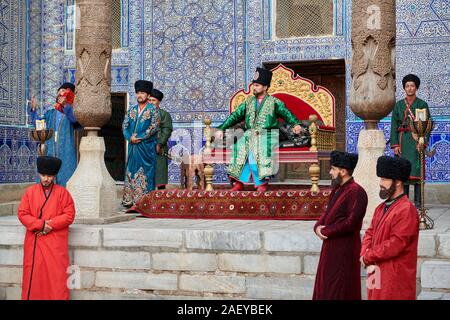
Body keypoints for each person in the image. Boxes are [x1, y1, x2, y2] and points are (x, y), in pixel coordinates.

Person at [215, 67, 303, 192]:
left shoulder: (275, 102)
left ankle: (261, 183)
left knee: (258, 148)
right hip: (250, 133)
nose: (254, 88)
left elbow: (287, 114)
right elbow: (235, 116)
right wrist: (221, 128)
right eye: (253, 85)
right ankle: (239, 182)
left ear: (265, 87)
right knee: (238, 147)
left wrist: (295, 124)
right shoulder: (248, 102)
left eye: (257, 85)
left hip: (268, 134)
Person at [360, 156, 419, 300]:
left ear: (398, 182)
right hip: (376, 272)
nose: (381, 183)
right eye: (381, 179)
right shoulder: (380, 208)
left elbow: (396, 243)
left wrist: (368, 256)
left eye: (385, 179)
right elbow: (370, 232)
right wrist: (364, 253)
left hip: (395, 275)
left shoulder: (406, 209)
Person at [312, 150, 368, 300]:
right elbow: (328, 213)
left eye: (333, 169)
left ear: (343, 171)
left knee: (340, 288)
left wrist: (327, 231)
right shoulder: (337, 189)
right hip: (330, 247)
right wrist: (318, 226)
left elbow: (351, 223)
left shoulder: (357, 191)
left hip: (345, 248)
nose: (330, 172)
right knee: (326, 287)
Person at [18, 156, 76, 300]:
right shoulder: (30, 192)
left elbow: (69, 215)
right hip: (35, 244)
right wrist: (41, 225)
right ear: (39, 174)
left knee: (57, 277)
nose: (46, 179)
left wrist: (51, 224)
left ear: (54, 176)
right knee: (35, 276)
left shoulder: (63, 193)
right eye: (43, 175)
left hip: (55, 244)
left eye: (49, 176)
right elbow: (22, 214)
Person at [390, 74, 431, 207]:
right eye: (407, 86)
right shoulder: (398, 105)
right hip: (403, 141)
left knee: (417, 171)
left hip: (416, 142)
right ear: (404, 88)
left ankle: (419, 203)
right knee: (403, 172)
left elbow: (428, 126)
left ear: (416, 87)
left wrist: (423, 142)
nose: (410, 88)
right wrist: (395, 144)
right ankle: (404, 202)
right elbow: (393, 126)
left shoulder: (422, 104)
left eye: (412, 85)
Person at [29, 83, 81, 187]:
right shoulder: (50, 113)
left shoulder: (72, 113)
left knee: (66, 181)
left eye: (63, 91)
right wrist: (33, 110)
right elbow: (38, 124)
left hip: (66, 153)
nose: (60, 94)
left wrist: (66, 106)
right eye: (59, 91)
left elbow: (77, 124)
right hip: (50, 151)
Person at [122, 80, 160, 207]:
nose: (139, 95)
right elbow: (125, 126)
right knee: (130, 171)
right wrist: (129, 137)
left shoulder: (153, 110)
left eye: (142, 93)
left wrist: (139, 137)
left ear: (148, 95)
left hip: (146, 148)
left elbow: (154, 127)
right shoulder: (131, 110)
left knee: (145, 172)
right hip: (133, 147)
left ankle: (144, 203)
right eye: (138, 93)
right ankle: (129, 200)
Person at [149, 88, 173, 189]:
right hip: (146, 146)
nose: (151, 102)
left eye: (153, 100)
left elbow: (166, 130)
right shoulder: (144, 114)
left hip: (159, 147)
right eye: (149, 100)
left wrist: (159, 144)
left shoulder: (164, 114)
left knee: (160, 172)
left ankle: (160, 199)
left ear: (158, 102)